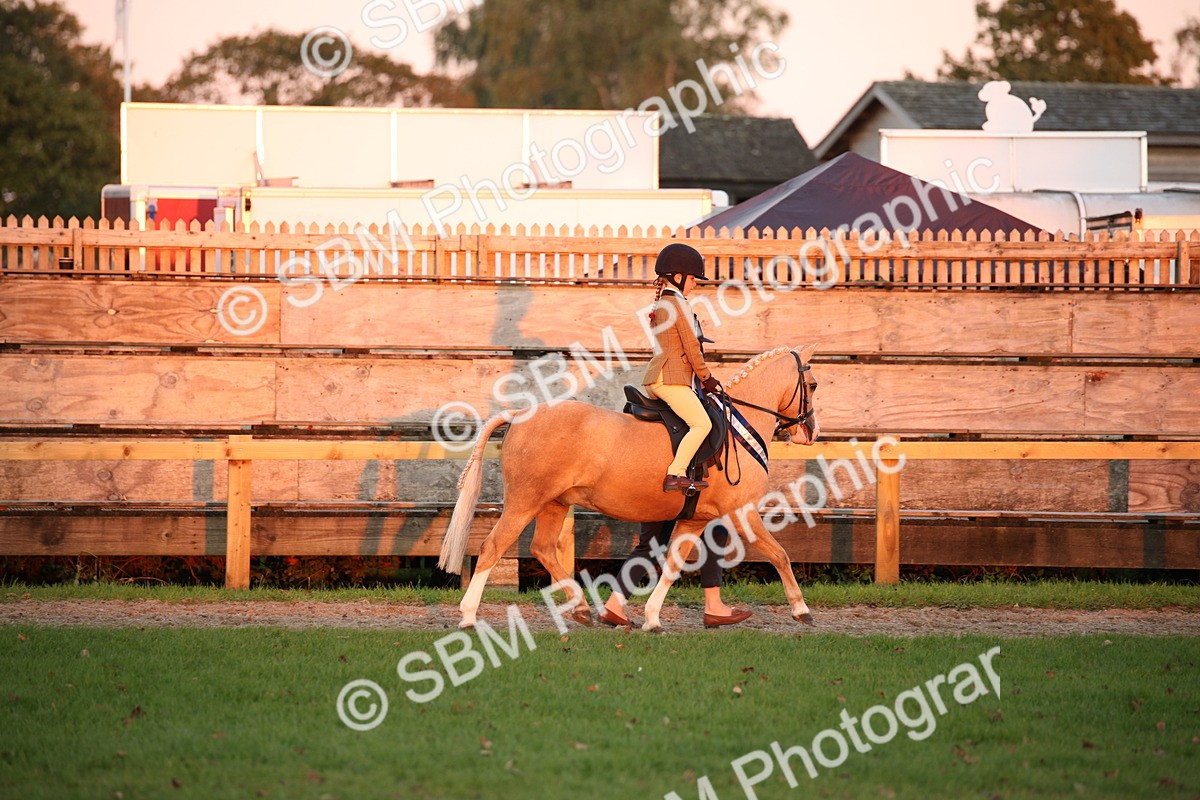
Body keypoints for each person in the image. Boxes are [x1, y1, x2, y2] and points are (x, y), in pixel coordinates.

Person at [642, 243, 721, 493]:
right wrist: (706, 378)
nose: (695, 283)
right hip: (671, 379)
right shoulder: (678, 304)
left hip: (658, 376)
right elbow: (690, 347)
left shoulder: (663, 303)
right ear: (678, 277)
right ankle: (675, 473)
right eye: (693, 278)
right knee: (702, 424)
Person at [599, 520, 753, 628]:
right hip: (681, 487)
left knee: (652, 544)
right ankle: (713, 606)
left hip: (659, 482)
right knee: (716, 529)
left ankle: (614, 604)